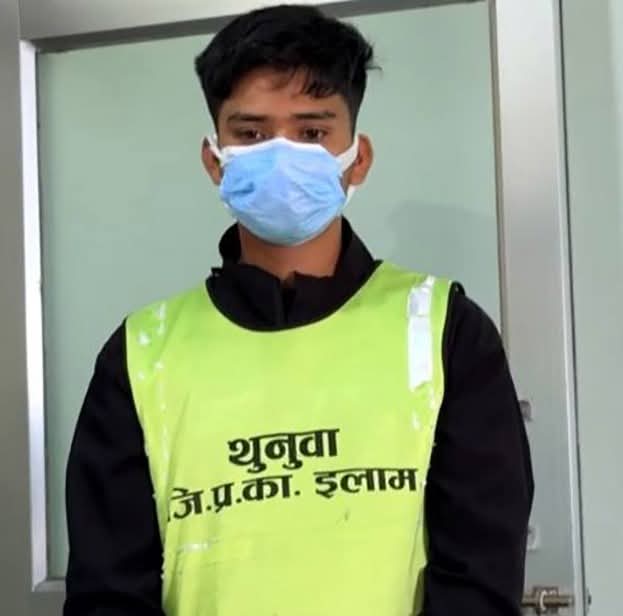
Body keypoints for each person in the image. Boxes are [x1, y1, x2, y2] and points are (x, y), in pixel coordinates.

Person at [63, 5, 533, 616]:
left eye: (312, 133)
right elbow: (107, 595)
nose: (281, 155)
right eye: (251, 134)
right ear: (214, 160)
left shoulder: (445, 332)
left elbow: (480, 583)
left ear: (357, 158)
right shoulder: (141, 355)